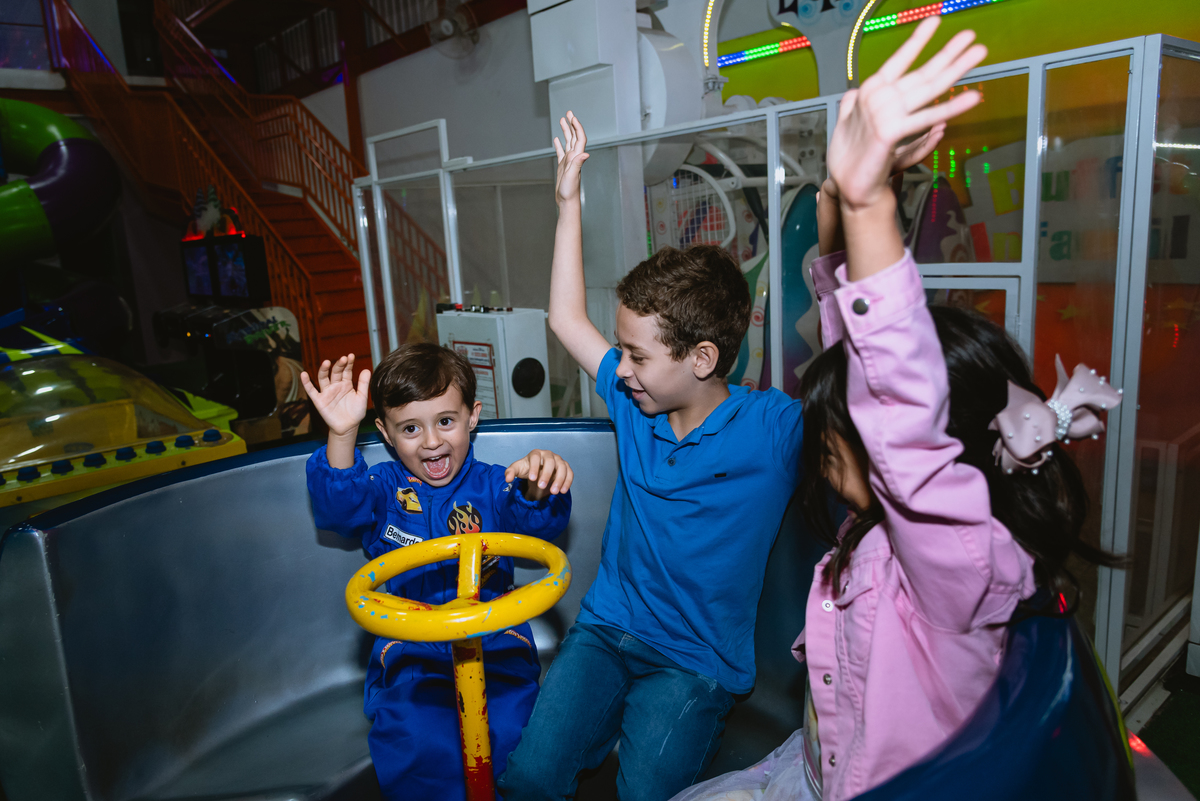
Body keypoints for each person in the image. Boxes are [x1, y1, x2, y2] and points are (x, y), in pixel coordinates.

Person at [670, 18, 1123, 801]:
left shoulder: (953, 560)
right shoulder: (894, 520)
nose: (835, 428)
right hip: (818, 765)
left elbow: (898, 414)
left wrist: (875, 201)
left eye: (862, 417)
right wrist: (843, 203)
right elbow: (862, 358)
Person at [497, 112, 805, 801]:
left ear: (702, 358)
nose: (623, 367)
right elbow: (565, 321)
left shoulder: (771, 427)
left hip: (693, 665)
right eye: (623, 349)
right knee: (530, 777)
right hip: (607, 630)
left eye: (638, 354)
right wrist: (567, 202)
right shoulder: (638, 401)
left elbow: (862, 409)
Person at [302, 344, 574, 801]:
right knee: (415, 741)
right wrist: (342, 436)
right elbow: (339, 512)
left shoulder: (496, 483)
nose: (431, 442)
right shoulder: (383, 488)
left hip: (496, 649)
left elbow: (540, 525)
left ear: (473, 417)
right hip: (413, 655)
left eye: (445, 421)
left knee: (518, 735)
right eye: (410, 428)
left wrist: (538, 484)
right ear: (386, 434)